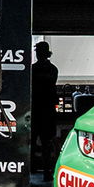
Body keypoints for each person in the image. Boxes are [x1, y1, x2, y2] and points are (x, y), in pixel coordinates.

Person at [30, 41, 59, 172]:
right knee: (46, 142)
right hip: (47, 112)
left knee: (32, 141)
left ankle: (32, 170)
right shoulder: (53, 69)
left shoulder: (32, 70)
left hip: (35, 110)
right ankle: (47, 171)